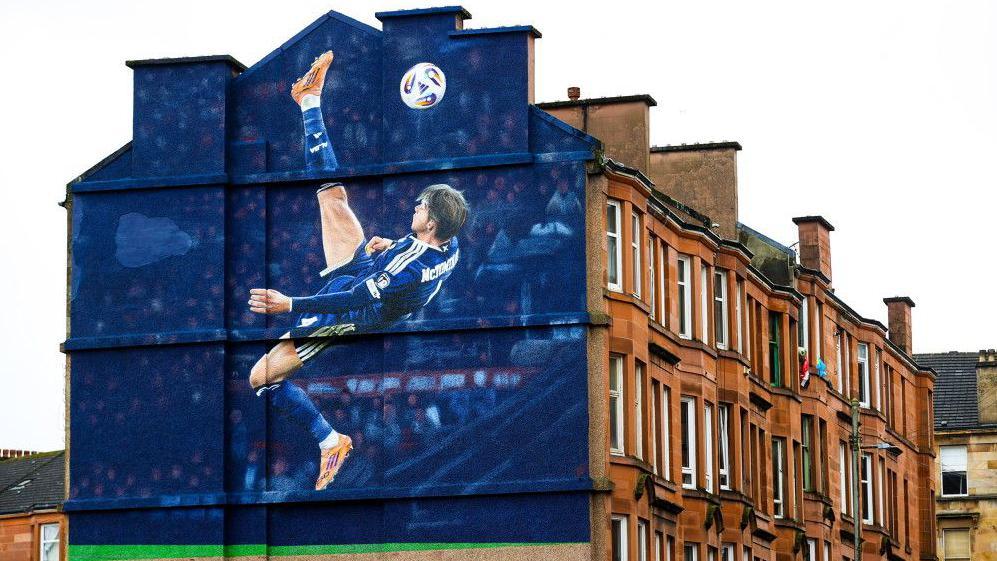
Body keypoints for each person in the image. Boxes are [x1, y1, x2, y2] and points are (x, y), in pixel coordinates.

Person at [245, 51, 469, 491]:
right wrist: (392, 245)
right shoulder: (448, 241)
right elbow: (415, 258)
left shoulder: (413, 263)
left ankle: (330, 440)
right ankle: (310, 101)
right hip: (369, 273)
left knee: (260, 377)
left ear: (432, 222)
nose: (415, 206)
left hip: (349, 316)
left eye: (421, 206)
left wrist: (292, 303)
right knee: (332, 195)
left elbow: (358, 298)